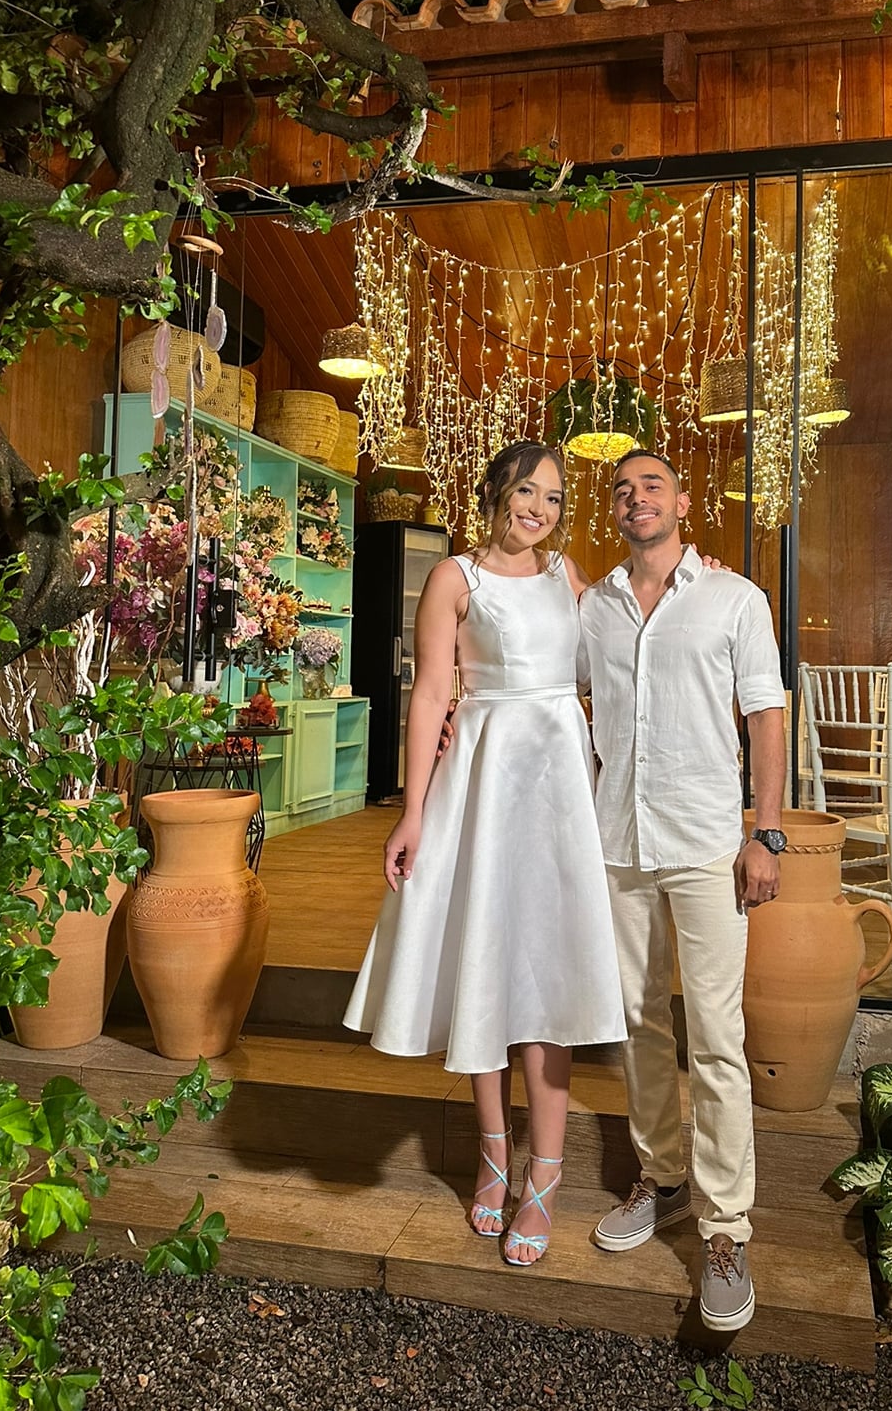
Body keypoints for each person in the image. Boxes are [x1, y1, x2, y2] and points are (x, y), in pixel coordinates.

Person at [343, 441, 626, 1267]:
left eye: (553, 497)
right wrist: (411, 813)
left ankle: (547, 1173)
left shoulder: (568, 576)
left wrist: (692, 569)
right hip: (483, 781)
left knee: (549, 969)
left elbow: (621, 648)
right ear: (497, 493)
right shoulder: (454, 578)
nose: (539, 508)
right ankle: (494, 1157)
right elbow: (432, 693)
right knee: (486, 958)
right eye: (526, 491)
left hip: (559, 785)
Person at [579, 448, 786, 1334]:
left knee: (716, 1034)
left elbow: (766, 715)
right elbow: (562, 698)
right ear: (615, 512)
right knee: (637, 1021)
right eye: (622, 490)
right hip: (618, 842)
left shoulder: (736, 598)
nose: (637, 498)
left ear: (684, 503)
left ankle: (726, 1228)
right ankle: (661, 1178)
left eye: (652, 485)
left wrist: (765, 832)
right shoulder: (593, 607)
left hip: (705, 843)